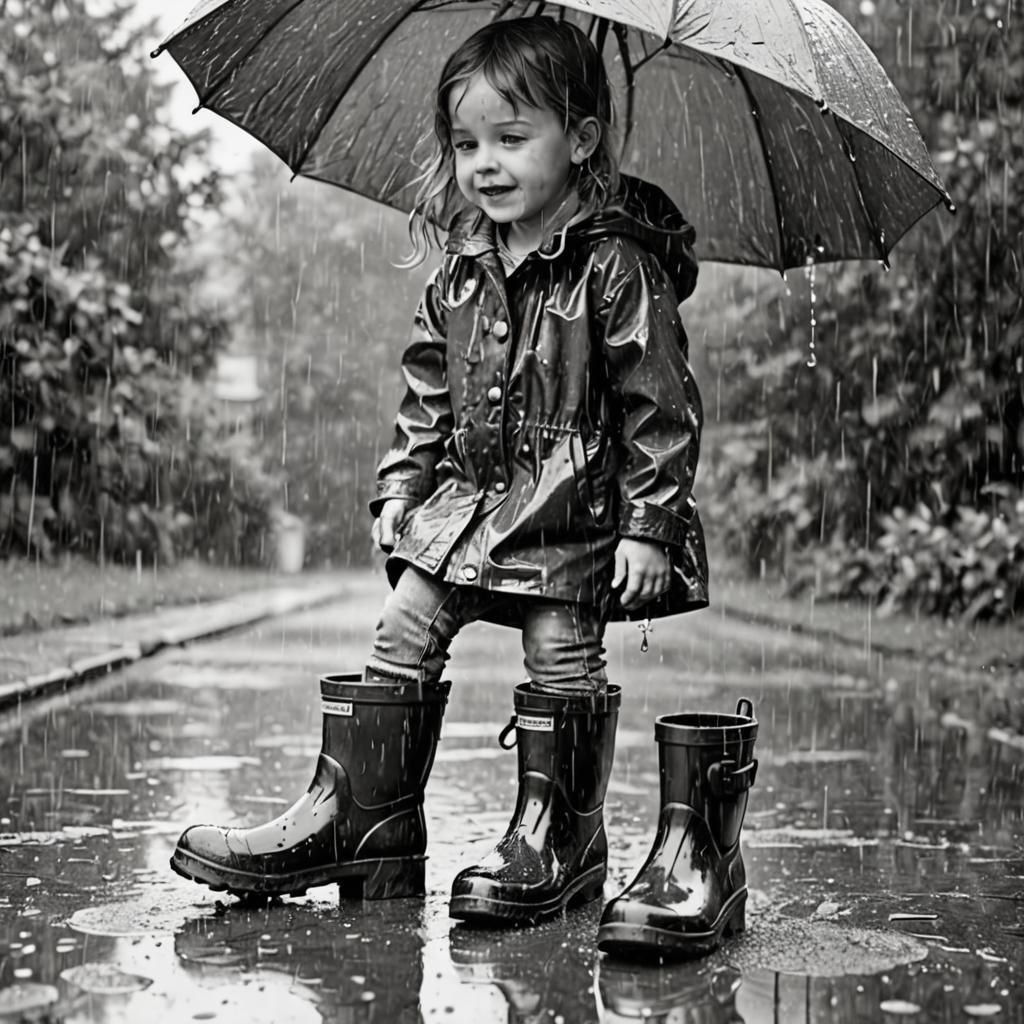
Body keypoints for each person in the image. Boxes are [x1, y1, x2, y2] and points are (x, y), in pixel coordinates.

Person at [170, 16, 753, 955]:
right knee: (403, 623)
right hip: (469, 508)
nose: (485, 163)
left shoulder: (616, 266)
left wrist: (650, 525)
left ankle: (557, 837)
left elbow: (662, 408)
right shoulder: (463, 269)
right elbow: (427, 394)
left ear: (582, 140)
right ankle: (364, 822)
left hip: (571, 515)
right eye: (466, 142)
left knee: (561, 654)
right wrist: (401, 488)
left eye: (512, 139)